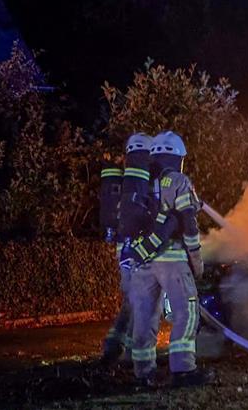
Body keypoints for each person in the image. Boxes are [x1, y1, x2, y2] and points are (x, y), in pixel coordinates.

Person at [123, 130, 210, 388]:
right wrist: (197, 261)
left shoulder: (142, 183)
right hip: (171, 260)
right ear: (178, 158)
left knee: (145, 315)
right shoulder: (178, 181)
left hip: (141, 260)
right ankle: (183, 371)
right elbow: (189, 226)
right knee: (187, 311)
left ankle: (143, 373)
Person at [100, 133, 155, 365]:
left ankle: (112, 346)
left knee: (130, 303)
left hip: (123, 249)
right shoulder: (143, 181)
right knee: (143, 304)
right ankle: (133, 355)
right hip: (137, 251)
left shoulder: (124, 184)